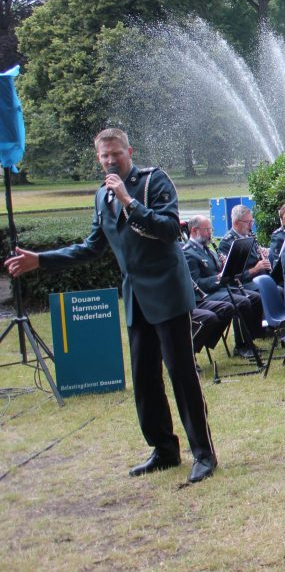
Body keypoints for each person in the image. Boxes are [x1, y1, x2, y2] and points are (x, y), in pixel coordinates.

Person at [4, 128, 216, 483]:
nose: (110, 161)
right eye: (104, 156)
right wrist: (39, 259)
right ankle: (164, 450)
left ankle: (204, 455)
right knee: (144, 379)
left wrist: (129, 201)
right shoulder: (101, 198)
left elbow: (168, 229)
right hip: (135, 296)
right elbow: (91, 247)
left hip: (167, 293)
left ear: (129, 151)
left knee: (182, 375)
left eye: (115, 153)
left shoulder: (153, 181)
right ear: (97, 158)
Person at [183, 215, 264, 359]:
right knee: (242, 302)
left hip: (219, 289)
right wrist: (217, 278)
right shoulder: (189, 252)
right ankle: (241, 345)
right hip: (205, 295)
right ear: (195, 230)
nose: (210, 233)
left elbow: (218, 272)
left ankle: (252, 338)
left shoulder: (207, 249)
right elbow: (196, 283)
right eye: (207, 230)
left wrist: (225, 266)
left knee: (255, 297)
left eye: (210, 229)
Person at [217, 204, 273, 287]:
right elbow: (231, 277)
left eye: (252, 221)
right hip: (245, 284)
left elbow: (256, 258)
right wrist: (255, 269)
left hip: (261, 278)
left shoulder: (249, 235)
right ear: (236, 222)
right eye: (248, 222)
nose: (251, 225)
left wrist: (264, 255)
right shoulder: (227, 243)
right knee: (276, 290)